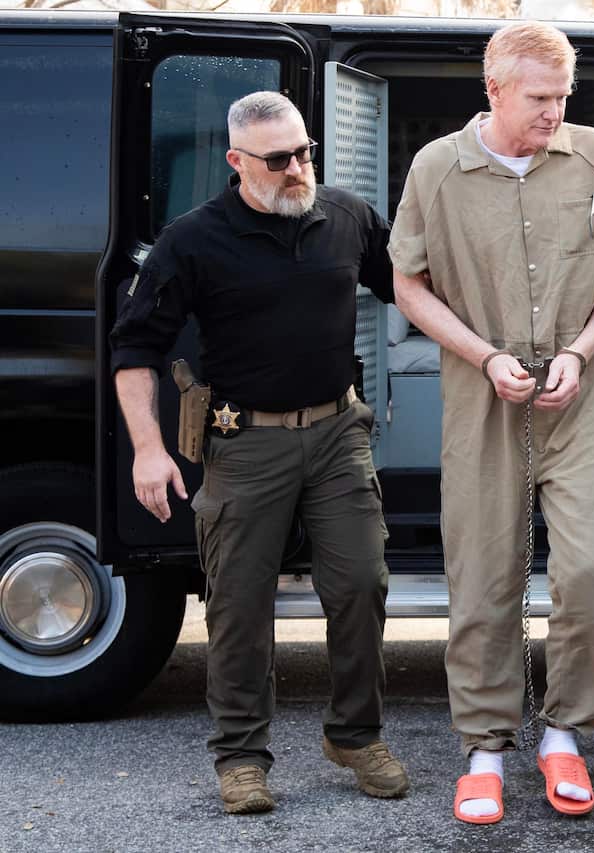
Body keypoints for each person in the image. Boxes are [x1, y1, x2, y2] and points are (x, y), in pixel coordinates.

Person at [109, 91, 408, 814]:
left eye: (305, 151)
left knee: (363, 581)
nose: (299, 167)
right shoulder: (193, 239)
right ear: (237, 162)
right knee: (239, 603)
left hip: (339, 432)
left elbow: (409, 287)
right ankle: (241, 755)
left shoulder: (346, 217)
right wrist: (148, 451)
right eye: (280, 160)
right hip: (244, 443)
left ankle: (355, 733)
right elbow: (134, 348)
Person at [387, 21, 594, 824]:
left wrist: (581, 349)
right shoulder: (437, 168)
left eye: (563, 95)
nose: (554, 111)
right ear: (494, 89)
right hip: (483, 401)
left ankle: (563, 734)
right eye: (539, 97)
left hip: (582, 398)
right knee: (483, 578)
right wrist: (483, 354)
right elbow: (408, 284)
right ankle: (486, 746)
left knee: (589, 579)